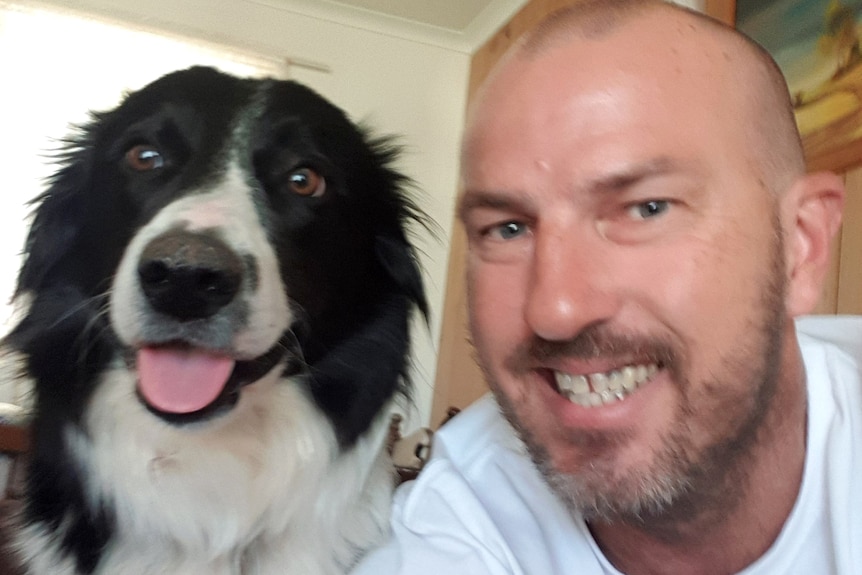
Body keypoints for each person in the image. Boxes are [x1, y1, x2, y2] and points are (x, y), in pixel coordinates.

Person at [352, 1, 862, 573]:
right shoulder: (459, 520)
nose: (557, 309)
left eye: (646, 209)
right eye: (508, 228)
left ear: (802, 245)